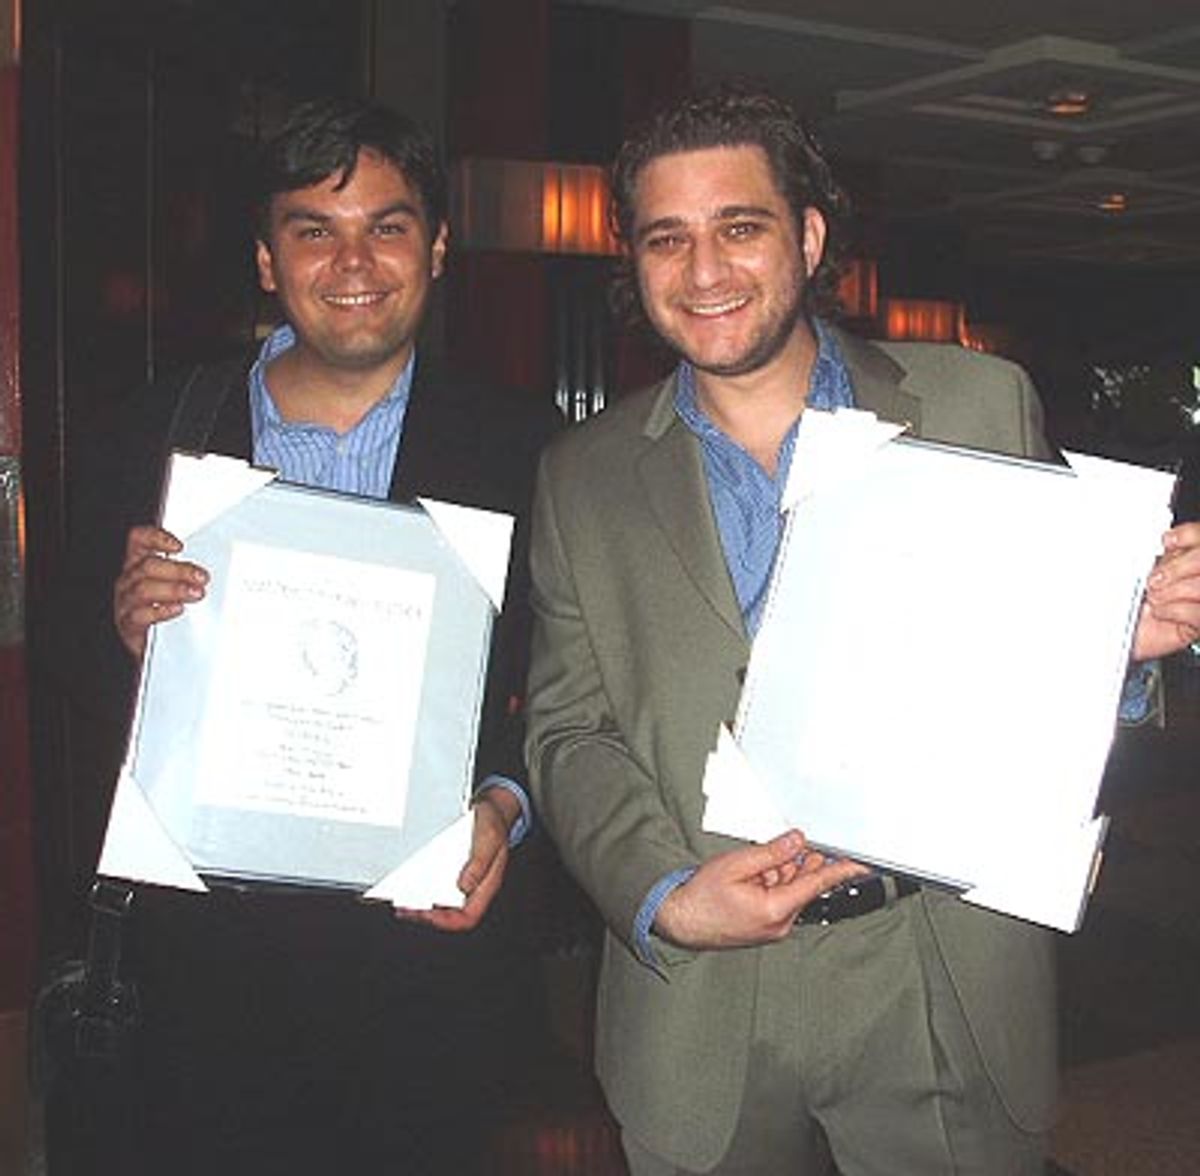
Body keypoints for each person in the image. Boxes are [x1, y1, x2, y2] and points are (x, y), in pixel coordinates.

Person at [524, 84, 1200, 1176]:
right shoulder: (579, 476)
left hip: (940, 961)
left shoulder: (981, 402)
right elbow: (567, 732)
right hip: (704, 991)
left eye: (739, 227)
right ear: (634, 261)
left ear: (809, 235)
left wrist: (1116, 647)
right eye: (668, 239)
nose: (705, 273)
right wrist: (662, 893)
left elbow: (1040, 656)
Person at [51, 97, 558, 1175]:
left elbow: (570, 688)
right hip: (203, 974)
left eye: (387, 224)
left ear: (438, 247)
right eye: (312, 228)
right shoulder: (151, 434)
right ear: (267, 260)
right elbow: (63, 689)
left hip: (426, 975)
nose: (353, 260)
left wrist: (505, 811)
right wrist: (125, 637)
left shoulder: (532, 454)